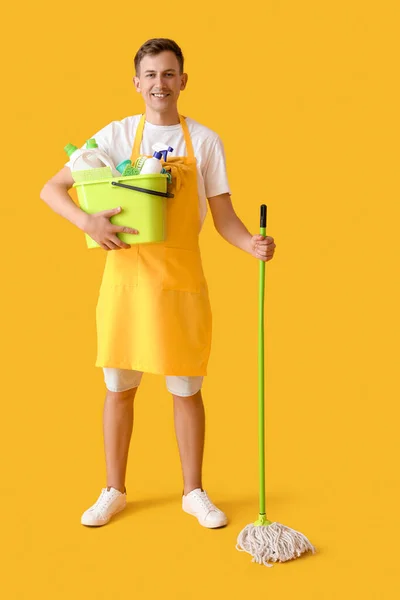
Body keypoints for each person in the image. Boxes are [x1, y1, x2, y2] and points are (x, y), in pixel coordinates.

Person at [40, 38, 276, 529]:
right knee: (119, 385)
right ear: (136, 84)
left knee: (186, 387)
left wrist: (250, 243)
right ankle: (113, 490)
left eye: (168, 74)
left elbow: (224, 218)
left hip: (181, 278)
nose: (159, 84)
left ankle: (194, 492)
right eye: (150, 75)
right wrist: (89, 224)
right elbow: (52, 188)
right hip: (126, 279)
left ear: (183, 81)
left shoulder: (206, 141)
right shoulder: (115, 135)